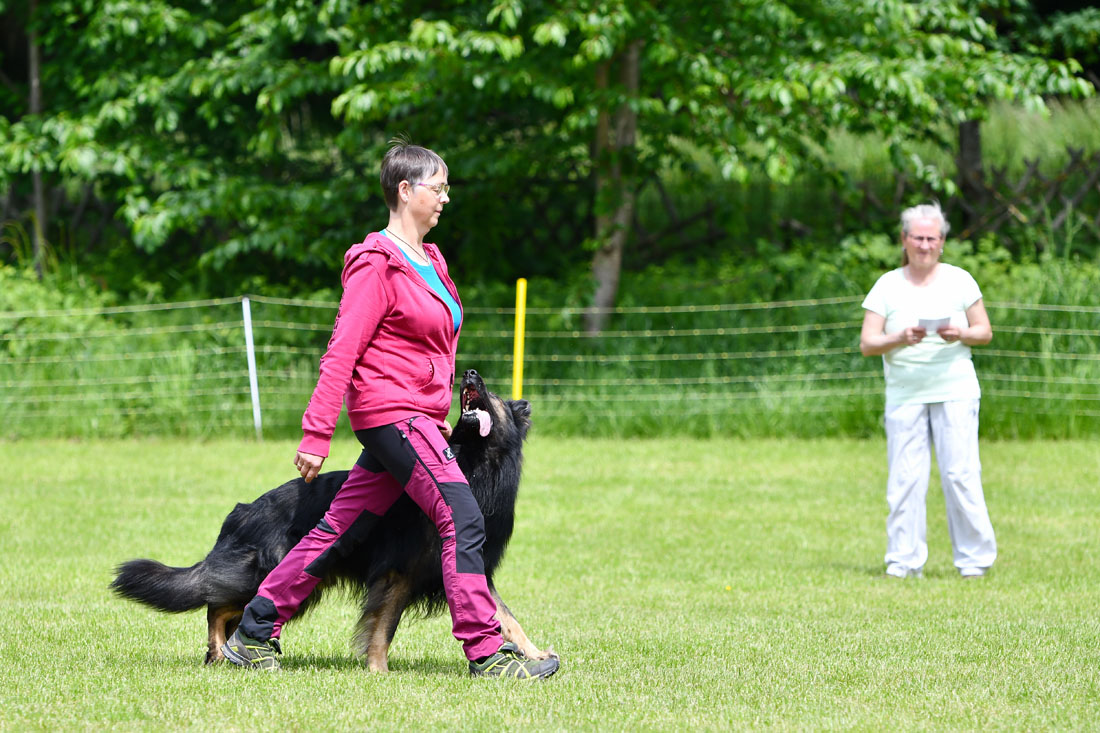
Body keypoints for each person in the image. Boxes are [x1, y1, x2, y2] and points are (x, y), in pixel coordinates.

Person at [221, 139, 559, 679]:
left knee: (336, 528)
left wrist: (440, 409)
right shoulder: (376, 264)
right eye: (437, 187)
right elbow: (342, 351)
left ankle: (255, 631)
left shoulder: (430, 260)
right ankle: (487, 654)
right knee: (462, 515)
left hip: (417, 418)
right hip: (391, 416)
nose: (446, 197)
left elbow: (431, 348)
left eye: (447, 187)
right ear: (405, 191)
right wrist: (316, 433)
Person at [859, 202, 997, 580]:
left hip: (955, 390)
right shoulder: (887, 285)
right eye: (917, 237)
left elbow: (984, 331)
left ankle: (974, 561)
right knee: (905, 478)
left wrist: (961, 333)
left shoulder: (960, 280)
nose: (924, 245)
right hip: (905, 393)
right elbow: (868, 343)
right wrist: (899, 338)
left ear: (942, 241)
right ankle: (903, 561)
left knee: (960, 474)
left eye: (931, 238)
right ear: (904, 240)